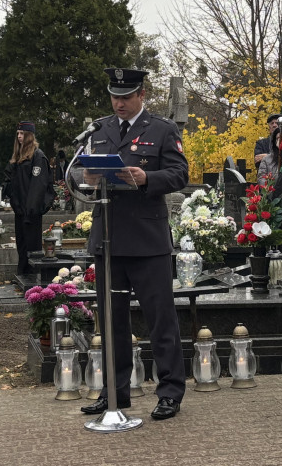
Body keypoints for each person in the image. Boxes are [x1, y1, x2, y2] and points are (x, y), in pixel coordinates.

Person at [81, 67, 188, 421]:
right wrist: (86, 177)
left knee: (161, 321)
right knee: (112, 322)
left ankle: (170, 392)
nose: (119, 103)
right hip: (109, 240)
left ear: (142, 94)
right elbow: (81, 177)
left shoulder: (161, 129)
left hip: (147, 241)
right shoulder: (100, 129)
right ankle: (115, 392)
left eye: (126, 96)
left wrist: (147, 178)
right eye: (114, 96)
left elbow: (180, 174)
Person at [2, 121, 53, 279]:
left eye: (22, 133)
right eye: (18, 133)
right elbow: (10, 180)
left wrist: (30, 210)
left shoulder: (38, 156)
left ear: (29, 135)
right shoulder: (18, 157)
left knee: (32, 249)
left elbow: (39, 186)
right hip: (20, 210)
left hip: (31, 212)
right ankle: (23, 276)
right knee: (22, 247)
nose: (19, 137)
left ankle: (32, 279)